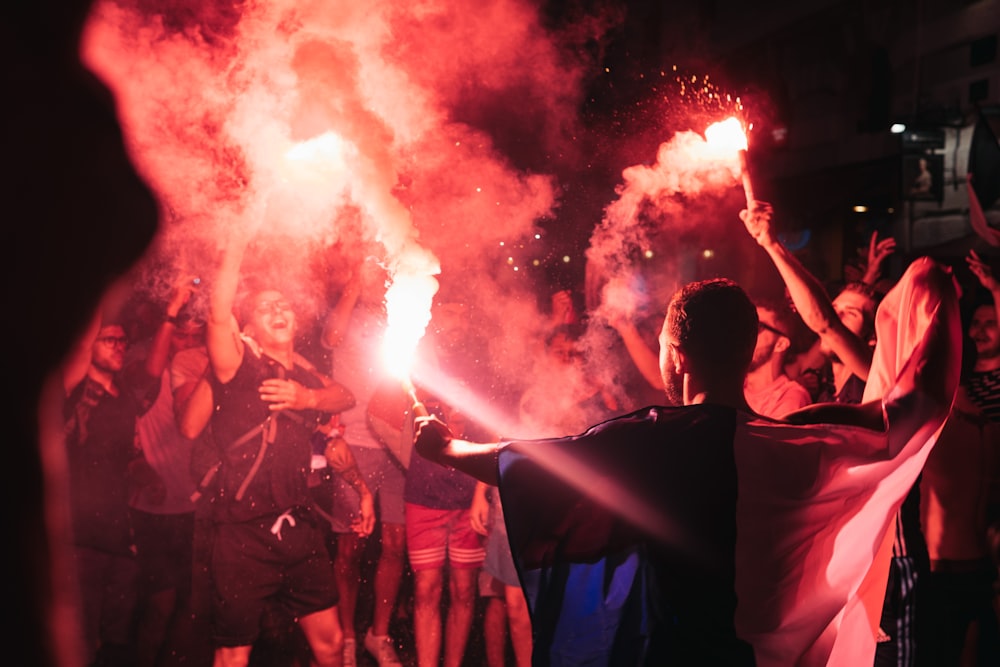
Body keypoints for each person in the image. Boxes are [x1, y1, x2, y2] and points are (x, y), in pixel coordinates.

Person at [413, 256, 961, 666]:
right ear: (749, 352)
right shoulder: (800, 442)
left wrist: (445, 448)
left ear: (675, 354)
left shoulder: (649, 441)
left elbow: (532, 463)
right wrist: (930, 282)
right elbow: (911, 405)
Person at [205, 232, 364, 667]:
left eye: (284, 305)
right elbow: (219, 313)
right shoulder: (238, 367)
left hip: (299, 529)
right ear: (249, 327)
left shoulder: (307, 375)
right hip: (241, 536)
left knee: (330, 646)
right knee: (234, 654)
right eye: (264, 307)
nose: (278, 311)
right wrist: (239, 230)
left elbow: (345, 397)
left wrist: (305, 399)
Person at [62, 309, 160, 666]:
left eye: (123, 340)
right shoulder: (71, 390)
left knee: (117, 635)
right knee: (81, 633)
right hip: (77, 531)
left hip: (118, 531)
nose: (120, 346)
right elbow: (82, 345)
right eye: (110, 340)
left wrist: (148, 477)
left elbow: (130, 455)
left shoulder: (124, 398)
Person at [321, 263, 407, 667]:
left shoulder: (400, 314)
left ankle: (379, 634)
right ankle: (348, 637)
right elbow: (329, 336)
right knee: (351, 547)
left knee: (394, 544)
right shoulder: (348, 315)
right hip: (354, 443)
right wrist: (352, 285)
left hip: (397, 444)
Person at [128, 276, 205, 667]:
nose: (187, 346)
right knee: (157, 607)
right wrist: (171, 311)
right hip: (153, 512)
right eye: (181, 337)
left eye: (195, 338)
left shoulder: (203, 376)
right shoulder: (150, 372)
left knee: (192, 607)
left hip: (194, 510)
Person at [743, 298, 812, 419]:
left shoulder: (790, 397)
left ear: (781, 343)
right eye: (745, 325)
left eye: (758, 327)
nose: (746, 333)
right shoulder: (733, 387)